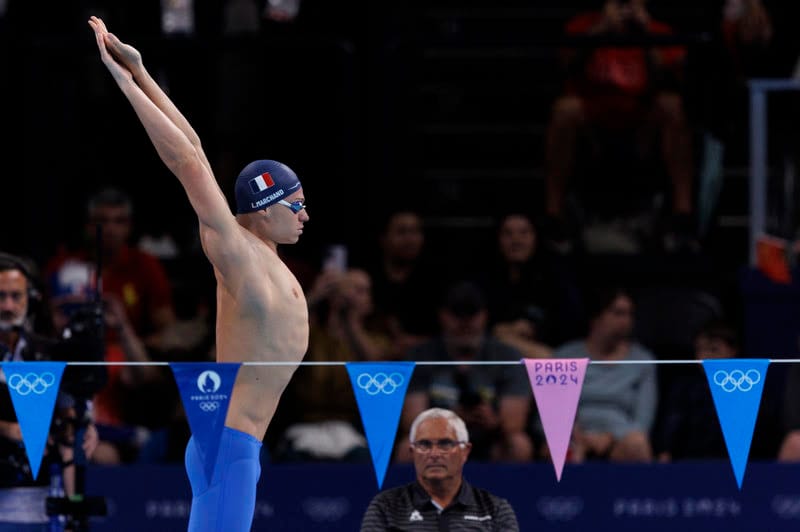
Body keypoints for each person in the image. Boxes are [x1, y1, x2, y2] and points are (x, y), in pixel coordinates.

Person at [89, 16, 310, 532]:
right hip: (229, 446)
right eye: (296, 204)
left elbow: (197, 148)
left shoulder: (266, 258)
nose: (305, 215)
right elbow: (187, 162)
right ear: (264, 207)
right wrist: (123, 82)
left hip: (237, 445)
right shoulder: (235, 252)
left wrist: (142, 72)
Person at [542, 0, 695, 252]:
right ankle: (553, 216)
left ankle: (682, 214)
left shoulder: (659, 31)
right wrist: (598, 31)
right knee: (564, 110)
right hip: (594, 127)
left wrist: (646, 33)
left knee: (672, 105)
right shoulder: (582, 25)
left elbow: (667, 77)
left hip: (641, 127)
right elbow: (565, 66)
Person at [0, 253, 99, 531]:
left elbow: (70, 410)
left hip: (34, 500)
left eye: (15, 296)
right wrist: (8, 429)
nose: (8, 305)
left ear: (29, 298)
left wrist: (84, 425)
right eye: (1, 296)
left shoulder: (46, 352)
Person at [396, 280, 533, 463]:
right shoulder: (421, 355)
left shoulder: (506, 355)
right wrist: (450, 419)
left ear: (484, 315)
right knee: (407, 448)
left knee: (519, 444)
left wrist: (493, 422)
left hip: (493, 439)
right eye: (457, 314)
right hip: (438, 439)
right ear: (442, 315)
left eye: (472, 314)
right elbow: (412, 422)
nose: (465, 322)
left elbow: (515, 423)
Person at [272, 267, 392, 462]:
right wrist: (312, 297)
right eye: (352, 290)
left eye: (363, 291)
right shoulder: (312, 334)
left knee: (364, 460)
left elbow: (377, 368)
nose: (355, 297)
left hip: (351, 431)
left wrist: (351, 323)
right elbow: (280, 336)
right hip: (304, 427)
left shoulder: (378, 338)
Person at [546, 283, 656, 462]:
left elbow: (643, 420)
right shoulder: (564, 356)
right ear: (596, 318)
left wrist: (610, 437)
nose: (626, 321)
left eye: (629, 314)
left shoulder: (643, 360)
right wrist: (577, 436)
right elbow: (548, 413)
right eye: (618, 313)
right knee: (559, 449)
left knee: (637, 444)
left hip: (619, 439)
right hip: (573, 436)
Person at [361, 408, 519, 532]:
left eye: (445, 444)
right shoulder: (385, 506)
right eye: (424, 444)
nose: (434, 454)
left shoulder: (496, 509)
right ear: (412, 452)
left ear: (465, 451)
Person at [473, 211, 583, 357]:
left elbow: (572, 323)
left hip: (548, 357)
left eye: (524, 233)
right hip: (494, 359)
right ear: (498, 239)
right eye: (508, 234)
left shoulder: (556, 277)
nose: (516, 240)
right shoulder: (482, 281)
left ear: (535, 237)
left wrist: (534, 329)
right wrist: (500, 330)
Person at [652, 318, 738, 461]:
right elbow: (671, 425)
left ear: (733, 351)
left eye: (714, 349)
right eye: (700, 349)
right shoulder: (684, 388)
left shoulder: (748, 388)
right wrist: (665, 451)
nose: (706, 356)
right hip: (689, 464)